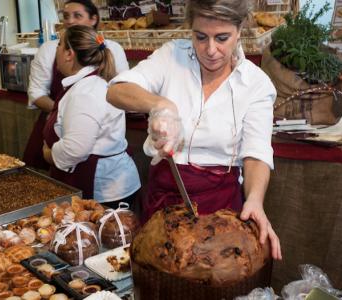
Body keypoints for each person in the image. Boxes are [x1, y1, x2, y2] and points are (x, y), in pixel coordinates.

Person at [107, 0, 282, 260]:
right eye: (201, 37)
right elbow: (116, 90)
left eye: (222, 38)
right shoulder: (171, 57)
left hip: (220, 210)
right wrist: (160, 104)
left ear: (240, 28)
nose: (211, 50)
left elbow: (256, 153)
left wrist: (255, 199)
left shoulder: (255, 84)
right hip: (163, 204)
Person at [41, 25, 140, 209]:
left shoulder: (85, 92)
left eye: (59, 45)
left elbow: (75, 149)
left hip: (105, 191)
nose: (56, 50)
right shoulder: (88, 83)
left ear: (69, 54)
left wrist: (49, 154)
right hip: (109, 184)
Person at [24, 0, 129, 170]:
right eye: (66, 16)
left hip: (90, 155)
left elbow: (75, 151)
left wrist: (73, 115)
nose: (70, 21)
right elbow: (36, 94)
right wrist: (66, 115)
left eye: (77, 15)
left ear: (93, 19)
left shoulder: (110, 51)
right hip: (61, 134)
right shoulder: (49, 49)